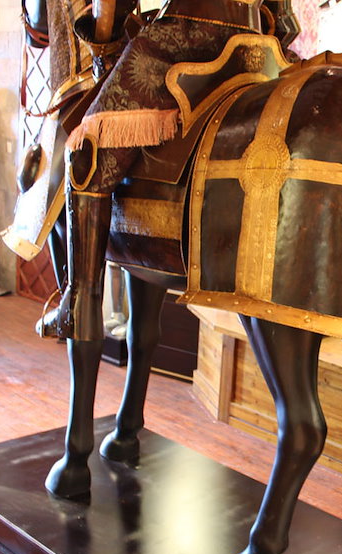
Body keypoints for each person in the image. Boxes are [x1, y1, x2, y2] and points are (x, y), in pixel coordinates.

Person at [40, 0, 265, 340]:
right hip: (258, 46)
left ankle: (79, 304)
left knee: (87, 150)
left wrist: (104, 37)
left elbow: (109, 8)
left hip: (187, 35)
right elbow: (286, 21)